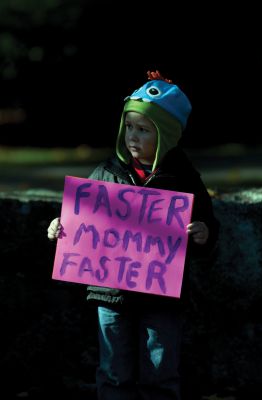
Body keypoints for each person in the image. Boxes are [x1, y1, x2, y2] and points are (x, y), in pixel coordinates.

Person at [47, 70, 219, 400]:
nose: (132, 136)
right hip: (111, 297)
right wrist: (61, 227)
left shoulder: (184, 178)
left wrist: (203, 233)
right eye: (129, 127)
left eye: (143, 129)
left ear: (167, 136)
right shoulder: (106, 172)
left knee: (161, 371)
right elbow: (83, 221)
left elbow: (206, 229)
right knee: (113, 372)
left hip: (162, 299)